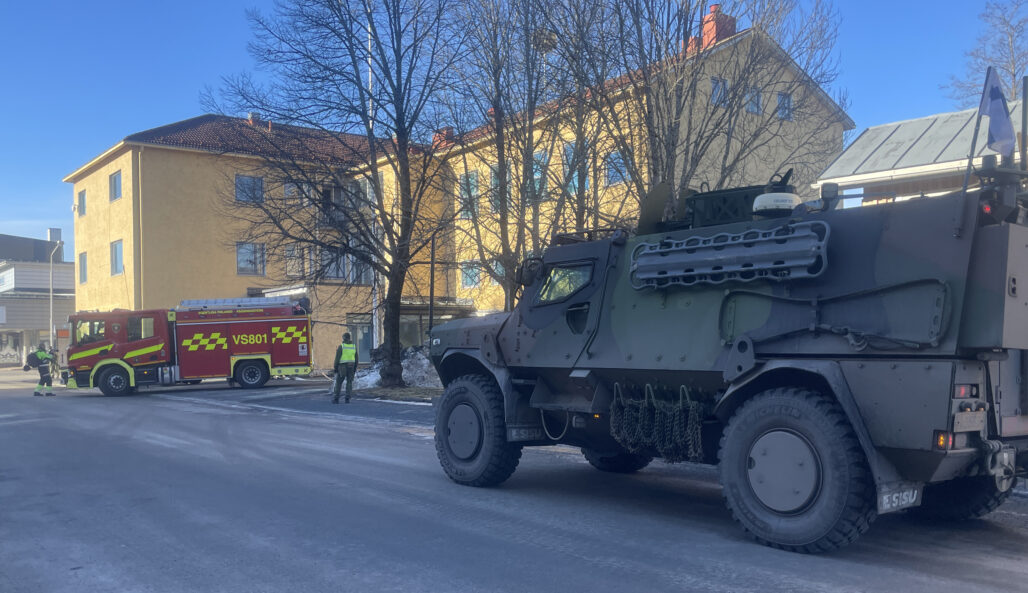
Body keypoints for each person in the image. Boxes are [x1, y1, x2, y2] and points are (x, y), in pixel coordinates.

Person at [332, 332, 358, 404]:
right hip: (351, 366)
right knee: (349, 382)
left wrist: (335, 367)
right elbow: (356, 359)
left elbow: (337, 358)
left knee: (339, 382)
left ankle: (336, 398)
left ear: (344, 338)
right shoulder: (354, 346)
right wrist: (355, 368)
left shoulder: (341, 347)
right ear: (349, 338)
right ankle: (347, 398)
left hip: (342, 367)